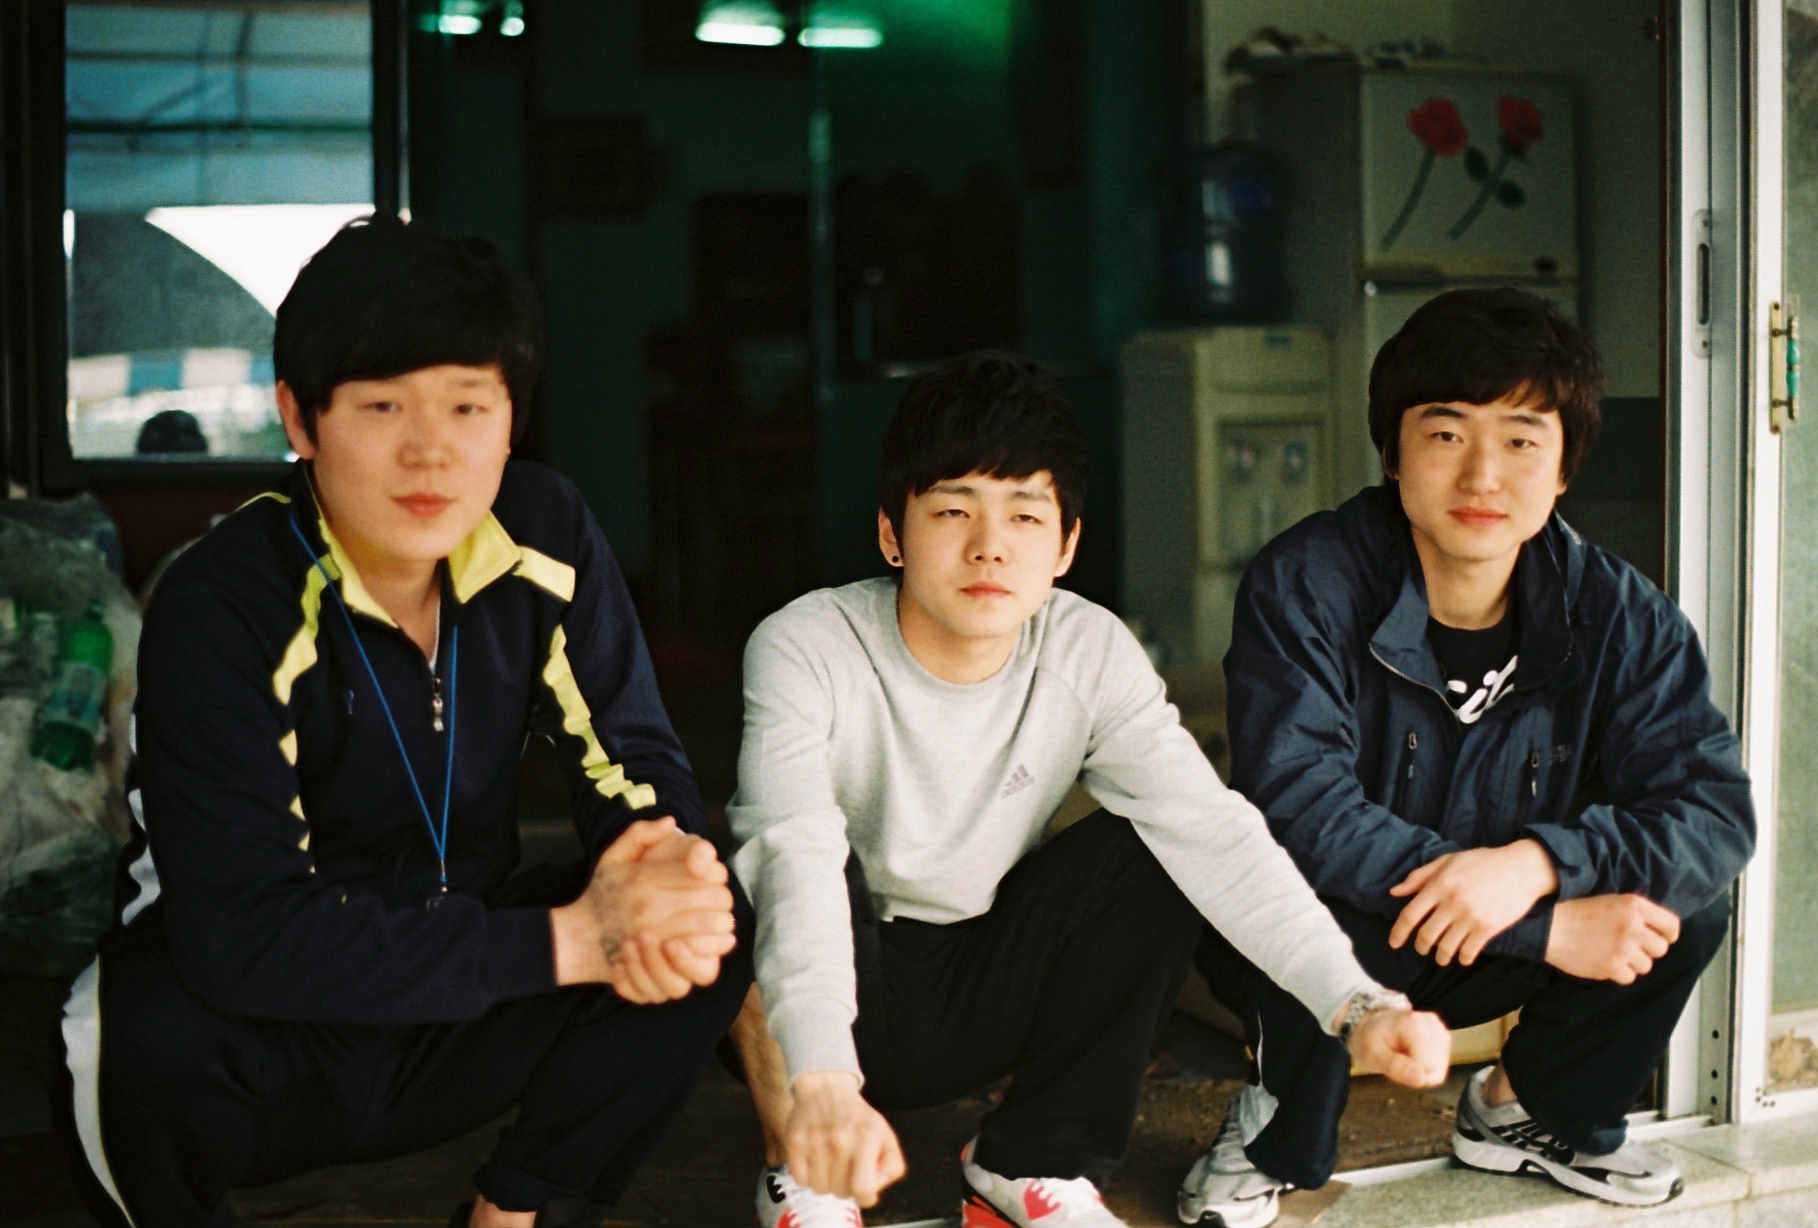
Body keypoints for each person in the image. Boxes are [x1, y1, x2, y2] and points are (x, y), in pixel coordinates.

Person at [55, 216, 750, 1228]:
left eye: (468, 406)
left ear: (510, 420)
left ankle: (518, 1211)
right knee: (139, 1033)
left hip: (457, 1002)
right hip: (265, 1035)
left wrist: (659, 867)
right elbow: (243, 936)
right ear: (301, 419)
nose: (431, 452)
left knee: (710, 913)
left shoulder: (543, 533)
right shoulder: (225, 601)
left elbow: (631, 756)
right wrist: (569, 940)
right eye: (383, 406)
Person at [725, 351, 1453, 1228]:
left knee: (1156, 846)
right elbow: (796, 857)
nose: (989, 545)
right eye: (953, 509)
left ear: (1066, 545)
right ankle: (803, 1166)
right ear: (892, 533)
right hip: (830, 987)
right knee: (750, 868)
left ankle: (1033, 1159)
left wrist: (1356, 1005)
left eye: (1025, 515)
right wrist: (824, 1083)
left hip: (981, 980)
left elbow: (1212, 832)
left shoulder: (1088, 650)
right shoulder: (807, 644)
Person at [1177, 287, 1756, 1227]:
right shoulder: (1307, 581)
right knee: (1297, 886)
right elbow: (1296, 805)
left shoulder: (1619, 612)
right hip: (1347, 923)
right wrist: (1542, 926)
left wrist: (1536, 867)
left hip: (1504, 909)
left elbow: (1714, 811)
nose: (1483, 475)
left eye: (1522, 439)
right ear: (1393, 452)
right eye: (1446, 434)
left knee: (1682, 900)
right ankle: (1274, 1127)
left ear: (1563, 466)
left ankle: (1527, 1111)